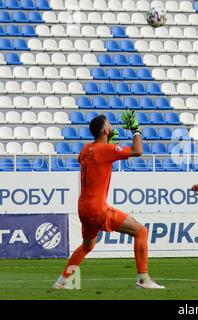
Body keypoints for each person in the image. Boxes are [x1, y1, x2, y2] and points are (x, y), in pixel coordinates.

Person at [53, 111, 164, 289]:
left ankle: (62, 281)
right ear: (105, 131)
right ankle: (143, 279)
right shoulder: (105, 150)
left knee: (88, 245)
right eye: (109, 125)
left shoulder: (86, 148)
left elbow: (83, 158)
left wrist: (109, 144)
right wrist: (136, 130)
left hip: (83, 207)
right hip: (97, 208)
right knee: (141, 231)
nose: (112, 127)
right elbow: (138, 151)